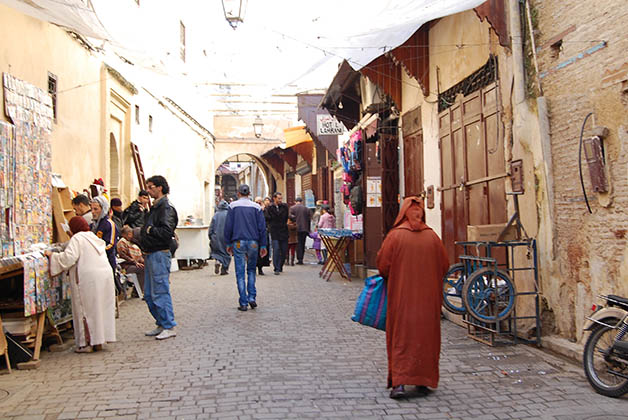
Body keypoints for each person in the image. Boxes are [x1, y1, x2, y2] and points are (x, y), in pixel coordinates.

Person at [375, 197, 449, 399]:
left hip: (402, 299)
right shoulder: (432, 237)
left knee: (402, 338)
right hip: (428, 301)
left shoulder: (395, 236)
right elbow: (445, 266)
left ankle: (399, 383)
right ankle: (422, 381)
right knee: (426, 339)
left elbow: (383, 266)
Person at [45, 217, 116, 353]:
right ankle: (99, 341)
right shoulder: (92, 237)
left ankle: (87, 343)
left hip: (87, 279)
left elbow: (68, 258)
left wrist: (52, 256)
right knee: (98, 309)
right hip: (104, 275)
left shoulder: (77, 238)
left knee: (86, 309)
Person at [140, 175, 178, 340]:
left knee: (160, 291)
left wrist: (148, 230)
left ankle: (169, 325)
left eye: (150, 187)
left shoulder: (166, 208)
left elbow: (166, 232)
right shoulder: (155, 207)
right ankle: (161, 322)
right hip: (150, 253)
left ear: (160, 187)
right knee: (149, 294)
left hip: (159, 254)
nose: (148, 191)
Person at [224, 184, 267, 311]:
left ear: (238, 193)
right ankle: (252, 297)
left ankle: (243, 302)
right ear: (249, 193)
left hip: (238, 241)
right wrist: (263, 245)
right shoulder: (257, 207)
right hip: (253, 242)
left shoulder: (233, 206)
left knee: (240, 272)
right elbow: (262, 228)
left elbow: (228, 226)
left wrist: (228, 243)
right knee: (252, 270)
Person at [90, 196, 117, 272]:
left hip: (107, 262)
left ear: (103, 209)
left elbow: (111, 244)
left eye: (96, 209)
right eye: (91, 209)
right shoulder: (93, 225)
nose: (93, 212)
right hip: (95, 262)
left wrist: (97, 251)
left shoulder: (109, 224)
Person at [266, 192, 289, 275]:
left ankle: (281, 265)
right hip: (274, 231)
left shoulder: (285, 207)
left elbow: (286, 217)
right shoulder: (270, 208)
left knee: (284, 250)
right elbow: (268, 218)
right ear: (274, 198)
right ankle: (276, 268)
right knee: (276, 249)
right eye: (278, 198)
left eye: (281, 198)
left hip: (283, 230)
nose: (280, 200)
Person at [117, 225, 145, 294]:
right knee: (141, 268)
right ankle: (141, 290)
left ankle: (144, 289)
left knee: (146, 265)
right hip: (126, 266)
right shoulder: (122, 242)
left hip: (132, 263)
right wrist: (135, 262)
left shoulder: (131, 241)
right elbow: (123, 256)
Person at [209, 200, 231, 275]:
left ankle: (217, 261)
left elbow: (211, 227)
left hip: (216, 237)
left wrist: (210, 236)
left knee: (217, 252)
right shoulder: (229, 215)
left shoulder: (216, 215)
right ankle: (224, 269)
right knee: (226, 253)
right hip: (226, 237)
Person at [289, 197, 311, 265]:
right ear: (301, 201)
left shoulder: (292, 208)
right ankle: (301, 259)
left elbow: (290, 217)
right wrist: (308, 229)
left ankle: (298, 258)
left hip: (296, 229)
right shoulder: (306, 209)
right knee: (302, 243)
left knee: (297, 244)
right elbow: (309, 219)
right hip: (304, 229)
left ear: (295, 201)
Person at [254, 197, 270, 275]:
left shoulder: (265, 210)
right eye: (257, 202)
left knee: (262, 251)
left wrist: (263, 211)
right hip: (254, 233)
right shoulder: (252, 210)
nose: (258, 204)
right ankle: (253, 267)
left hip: (263, 233)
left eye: (259, 202)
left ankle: (260, 268)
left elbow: (268, 218)